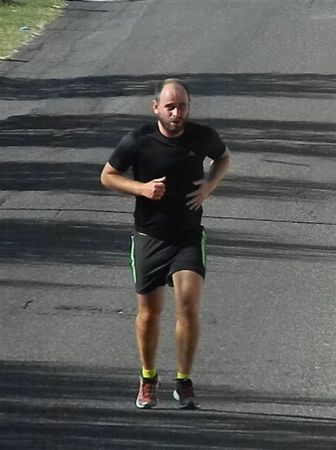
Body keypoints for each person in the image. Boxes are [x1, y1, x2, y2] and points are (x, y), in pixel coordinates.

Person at [100, 78, 231, 409]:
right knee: (150, 312)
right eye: (170, 107)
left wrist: (209, 186)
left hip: (188, 236)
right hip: (149, 237)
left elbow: (223, 158)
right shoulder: (139, 140)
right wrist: (141, 189)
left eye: (182, 106)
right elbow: (108, 175)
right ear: (156, 107)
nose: (176, 113)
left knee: (188, 305)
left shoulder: (202, 136)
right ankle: (147, 378)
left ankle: (184, 382)